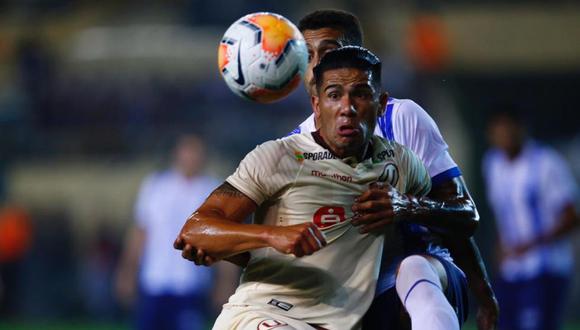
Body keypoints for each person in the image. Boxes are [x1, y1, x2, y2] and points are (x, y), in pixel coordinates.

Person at [174, 46, 455, 329]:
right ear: (317, 105)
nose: (347, 108)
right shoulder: (279, 156)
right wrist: (272, 236)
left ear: (380, 103)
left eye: (360, 94)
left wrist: (408, 207)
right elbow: (194, 231)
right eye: (334, 95)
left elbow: (456, 219)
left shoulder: (401, 163)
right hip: (264, 315)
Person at [289, 9, 497, 329]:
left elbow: (464, 215)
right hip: (350, 291)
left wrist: (407, 207)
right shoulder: (294, 149)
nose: (316, 65)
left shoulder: (401, 118)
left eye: (327, 53)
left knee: (412, 267)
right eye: (307, 56)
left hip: (429, 270)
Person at [115, 135, 238, 330]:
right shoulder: (156, 186)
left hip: (190, 285)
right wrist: (127, 271)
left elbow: (223, 241)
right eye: (187, 152)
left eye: (196, 153)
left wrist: (225, 282)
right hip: (154, 281)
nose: (191, 158)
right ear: (177, 154)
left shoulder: (213, 191)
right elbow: (141, 232)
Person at [483, 109, 579, 330]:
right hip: (511, 270)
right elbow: (503, 214)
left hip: (545, 268)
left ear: (521, 129)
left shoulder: (546, 163)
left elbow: (571, 217)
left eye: (509, 129)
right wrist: (500, 249)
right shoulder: (492, 164)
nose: (504, 136)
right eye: (498, 131)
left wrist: (531, 244)